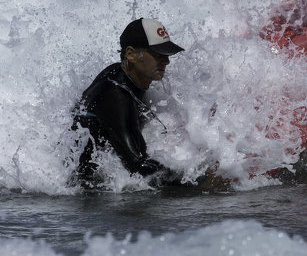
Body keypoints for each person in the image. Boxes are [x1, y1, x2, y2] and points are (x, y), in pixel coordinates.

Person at [72, 17, 217, 191]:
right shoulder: (115, 96)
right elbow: (138, 165)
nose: (166, 61)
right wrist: (199, 183)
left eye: (166, 55)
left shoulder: (120, 71)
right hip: (83, 188)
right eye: (157, 55)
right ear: (131, 54)